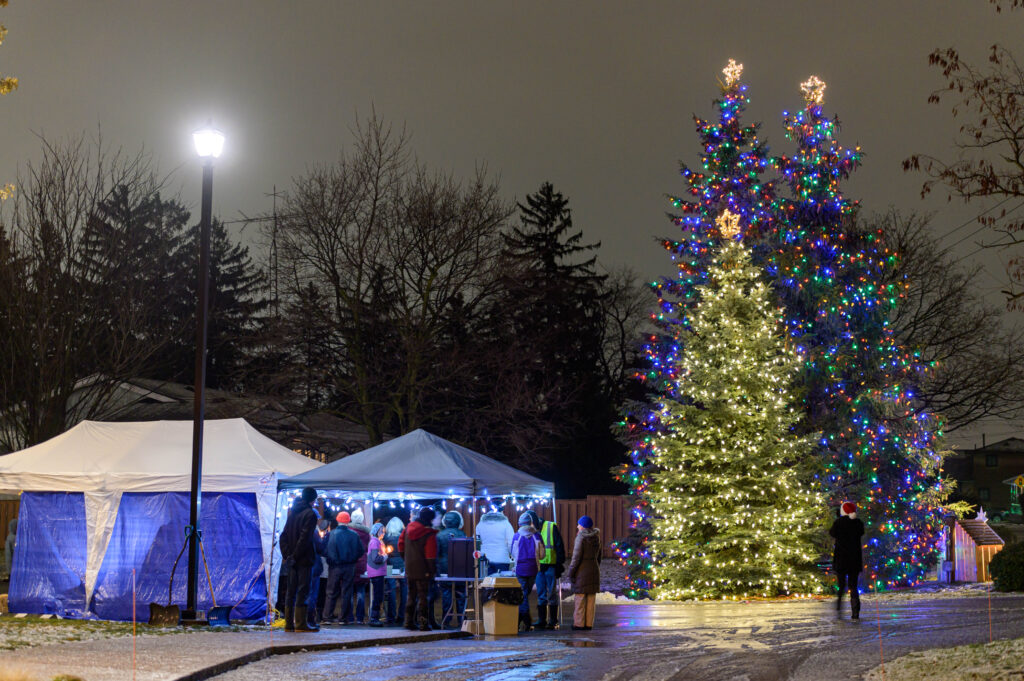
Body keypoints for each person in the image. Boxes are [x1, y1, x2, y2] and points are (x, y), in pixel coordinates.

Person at [278, 486, 320, 632]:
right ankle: (301, 624)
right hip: (303, 559)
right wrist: (294, 556)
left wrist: (287, 556)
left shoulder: (292, 513)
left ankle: (289, 624)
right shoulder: (310, 514)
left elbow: (283, 536)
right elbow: (305, 538)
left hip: (292, 559)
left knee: (290, 591)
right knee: (303, 590)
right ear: (313, 500)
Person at [399, 506, 438, 631]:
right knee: (423, 596)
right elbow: (430, 555)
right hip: (423, 570)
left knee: (411, 595)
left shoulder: (407, 529)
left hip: (409, 568)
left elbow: (400, 546)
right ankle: (423, 623)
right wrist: (432, 571)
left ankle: (408, 621)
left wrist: (407, 560)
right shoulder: (428, 534)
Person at [322, 511, 362, 624]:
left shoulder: (331, 534)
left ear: (338, 520)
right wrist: (353, 559)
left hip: (334, 566)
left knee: (331, 592)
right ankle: (343, 618)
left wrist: (331, 559)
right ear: (348, 521)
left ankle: (327, 617)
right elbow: (360, 551)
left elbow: (324, 549)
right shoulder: (354, 535)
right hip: (350, 567)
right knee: (346, 592)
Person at [528, 509, 566, 629]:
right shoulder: (532, 530)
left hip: (550, 566)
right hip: (539, 567)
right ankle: (542, 620)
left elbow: (559, 546)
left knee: (551, 594)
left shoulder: (550, 527)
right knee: (541, 594)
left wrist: (559, 564)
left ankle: (553, 621)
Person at [830, 501, 865, 620]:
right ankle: (855, 612)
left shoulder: (839, 523)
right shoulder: (858, 523)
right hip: (854, 560)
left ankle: (839, 609)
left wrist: (839, 518)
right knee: (853, 586)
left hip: (841, 559)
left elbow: (832, 533)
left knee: (841, 585)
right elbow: (861, 532)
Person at [510, 512, 543, 632]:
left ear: (520, 524)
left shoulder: (516, 536)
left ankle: (525, 619)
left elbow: (513, 552)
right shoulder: (537, 536)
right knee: (524, 594)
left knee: (523, 595)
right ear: (531, 523)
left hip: (520, 569)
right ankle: (524, 620)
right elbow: (542, 554)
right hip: (533, 569)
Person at [567, 515, 601, 631]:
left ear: (583, 526)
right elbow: (599, 557)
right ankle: (588, 624)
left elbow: (576, 558)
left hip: (581, 571)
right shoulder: (596, 537)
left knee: (580, 598)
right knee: (591, 598)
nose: (577, 526)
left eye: (579, 524)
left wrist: (571, 572)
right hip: (594, 569)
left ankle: (579, 624)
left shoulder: (580, 537)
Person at [434, 510, 467, 628]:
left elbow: (437, 554)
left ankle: (446, 621)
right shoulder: (462, 535)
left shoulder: (439, 535)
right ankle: (461, 621)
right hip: (460, 569)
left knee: (446, 594)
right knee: (461, 594)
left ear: (445, 522)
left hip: (444, 569)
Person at [347, 509, 372, 624]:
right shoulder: (366, 533)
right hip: (362, 563)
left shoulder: (348, 531)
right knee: (361, 591)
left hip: (350, 563)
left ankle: (350, 617)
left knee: (350, 592)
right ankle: (360, 617)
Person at [305, 507, 328, 628]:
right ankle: (309, 619)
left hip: (303, 566)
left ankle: (299, 618)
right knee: (312, 594)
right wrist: (324, 539)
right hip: (313, 565)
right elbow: (320, 549)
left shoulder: (300, 529)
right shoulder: (313, 532)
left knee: (302, 593)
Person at [384, 516, 407, 626]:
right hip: (402, 564)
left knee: (391, 590)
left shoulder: (386, 538)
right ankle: (402, 616)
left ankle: (391, 617)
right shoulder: (404, 537)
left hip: (390, 565)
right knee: (404, 590)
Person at [476, 510, 515, 575]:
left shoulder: (480, 524)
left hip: (485, 559)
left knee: (486, 580)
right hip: (502, 559)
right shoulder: (506, 523)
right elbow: (511, 543)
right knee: (501, 581)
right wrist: (513, 556)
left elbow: (476, 542)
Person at [366, 522, 389, 626]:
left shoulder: (377, 541)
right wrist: (384, 557)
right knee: (378, 596)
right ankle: (374, 618)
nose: (383, 533)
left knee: (378, 596)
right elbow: (375, 558)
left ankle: (375, 617)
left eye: (384, 532)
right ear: (376, 531)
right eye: (381, 531)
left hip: (378, 572)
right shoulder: (375, 542)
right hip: (376, 573)